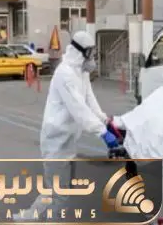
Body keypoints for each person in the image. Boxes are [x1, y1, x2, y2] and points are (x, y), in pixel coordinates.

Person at [13, 31, 119, 221]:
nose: (92, 57)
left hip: (68, 142)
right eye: (89, 52)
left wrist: (105, 121)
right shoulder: (65, 74)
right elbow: (79, 109)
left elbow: (89, 101)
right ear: (79, 51)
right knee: (60, 195)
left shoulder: (81, 73)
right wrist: (102, 132)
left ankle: (25, 219)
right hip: (55, 142)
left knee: (56, 191)